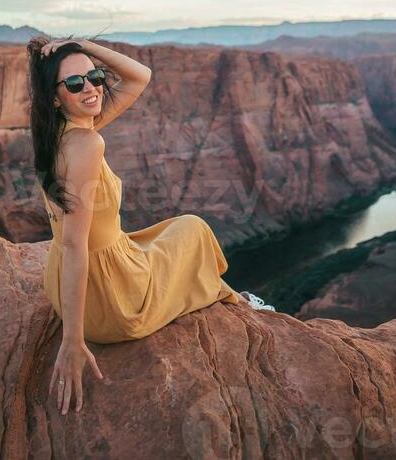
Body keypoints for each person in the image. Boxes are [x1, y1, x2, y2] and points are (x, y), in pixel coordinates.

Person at [27, 34, 274, 416]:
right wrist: (72, 342)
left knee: (178, 229)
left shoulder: (60, 131)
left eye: (95, 77)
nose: (91, 88)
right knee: (193, 230)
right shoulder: (87, 146)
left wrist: (78, 47)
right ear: (55, 97)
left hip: (64, 281)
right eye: (75, 84)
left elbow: (139, 76)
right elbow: (76, 245)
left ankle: (232, 297)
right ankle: (237, 301)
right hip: (110, 297)